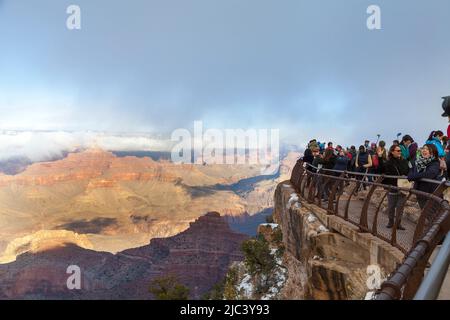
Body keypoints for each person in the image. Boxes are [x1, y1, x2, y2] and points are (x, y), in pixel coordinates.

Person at [378, 145, 410, 229]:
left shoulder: (405, 161)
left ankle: (398, 223)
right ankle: (391, 222)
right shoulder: (389, 162)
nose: (400, 152)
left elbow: (409, 171)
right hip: (392, 186)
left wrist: (406, 176)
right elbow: (381, 170)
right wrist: (380, 157)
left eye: (400, 151)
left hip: (403, 186)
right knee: (391, 206)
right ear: (392, 152)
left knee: (400, 206)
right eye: (398, 150)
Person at [408, 144, 441, 210]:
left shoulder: (435, 162)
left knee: (433, 216)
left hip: (431, 193)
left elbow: (430, 174)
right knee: (425, 214)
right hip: (420, 193)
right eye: (423, 148)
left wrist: (413, 176)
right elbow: (410, 172)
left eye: (427, 149)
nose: (424, 150)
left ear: (433, 152)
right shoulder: (417, 162)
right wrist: (411, 176)